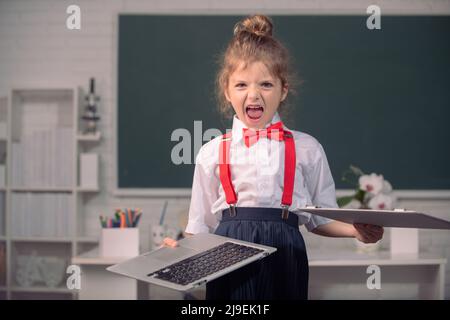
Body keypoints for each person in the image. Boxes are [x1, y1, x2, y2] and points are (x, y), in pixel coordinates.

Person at [164, 14, 384, 300]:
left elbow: (318, 219)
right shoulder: (211, 152)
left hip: (286, 255)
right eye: (241, 85)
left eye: (266, 84)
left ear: (283, 90)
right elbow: (198, 228)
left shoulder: (308, 148)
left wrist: (356, 232)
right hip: (226, 257)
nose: (253, 94)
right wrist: (177, 254)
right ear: (227, 91)